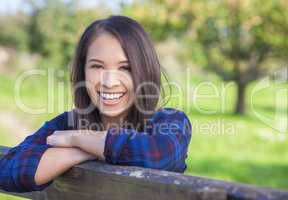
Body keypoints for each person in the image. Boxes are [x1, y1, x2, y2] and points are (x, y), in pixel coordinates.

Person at [0, 15, 192, 193]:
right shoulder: (68, 123)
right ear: (83, 71)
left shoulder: (170, 120)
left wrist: (78, 139)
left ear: (144, 70)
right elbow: (8, 170)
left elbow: (160, 156)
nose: (109, 82)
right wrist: (86, 149)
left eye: (125, 68)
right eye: (97, 66)